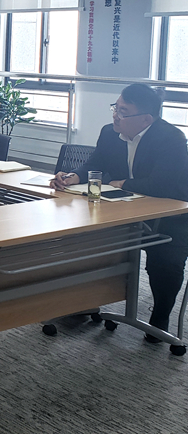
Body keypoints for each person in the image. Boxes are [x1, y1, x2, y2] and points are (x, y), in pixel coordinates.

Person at [51, 83, 188, 341]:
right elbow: (95, 164)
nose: (116, 115)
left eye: (123, 112)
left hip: (171, 217)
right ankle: (84, 301)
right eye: (116, 107)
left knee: (166, 263)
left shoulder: (172, 139)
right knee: (87, 242)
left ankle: (160, 317)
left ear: (146, 119)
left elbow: (163, 185)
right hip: (123, 211)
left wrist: (121, 183)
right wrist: (73, 176)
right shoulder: (109, 133)